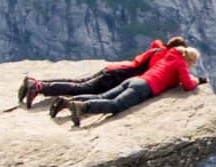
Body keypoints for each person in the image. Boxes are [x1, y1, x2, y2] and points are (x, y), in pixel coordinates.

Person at [50, 36, 207, 127]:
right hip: (144, 88)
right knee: (116, 105)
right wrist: (198, 81)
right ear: (189, 60)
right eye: (192, 63)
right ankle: (82, 107)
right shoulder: (180, 64)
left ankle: (67, 102)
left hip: (135, 80)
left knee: (104, 97)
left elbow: (159, 50)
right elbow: (187, 84)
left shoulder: (168, 56)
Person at [17, 39, 170, 109]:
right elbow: (153, 74)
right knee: (82, 88)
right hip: (117, 76)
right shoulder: (163, 57)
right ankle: (39, 86)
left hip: (115, 69)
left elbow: (156, 42)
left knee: (79, 83)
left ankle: (35, 83)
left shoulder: (159, 49)